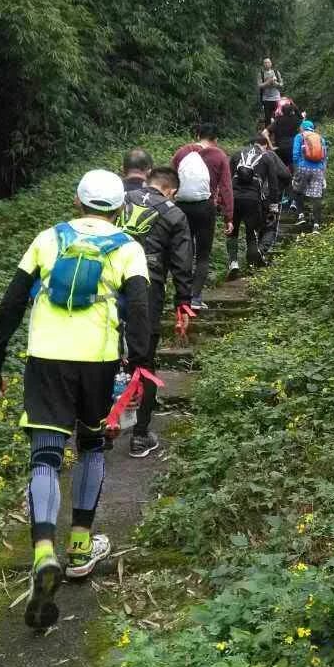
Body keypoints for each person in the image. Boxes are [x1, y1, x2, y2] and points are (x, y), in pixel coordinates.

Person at [0, 170, 150, 630]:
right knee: (92, 446)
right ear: (119, 209)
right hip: (97, 361)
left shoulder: (47, 239)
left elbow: (12, 302)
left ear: (77, 200)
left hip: (46, 357)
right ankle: (79, 548)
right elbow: (141, 309)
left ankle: (42, 550)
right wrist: (140, 367)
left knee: (45, 456)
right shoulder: (129, 249)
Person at [119, 149, 196, 459]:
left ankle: (100, 429)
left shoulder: (119, 203)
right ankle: (139, 435)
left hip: (108, 286)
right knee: (144, 361)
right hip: (147, 292)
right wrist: (183, 303)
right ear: (172, 190)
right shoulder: (174, 214)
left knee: (106, 356)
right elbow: (181, 264)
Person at [172, 123, 234, 311]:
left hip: (182, 206)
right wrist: (229, 216)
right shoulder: (219, 155)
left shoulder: (182, 152)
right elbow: (225, 188)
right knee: (203, 255)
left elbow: (170, 178)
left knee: (184, 251)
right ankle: (196, 298)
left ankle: (182, 298)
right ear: (216, 139)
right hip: (206, 207)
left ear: (197, 134)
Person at [227, 134, 291, 280]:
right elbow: (274, 184)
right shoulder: (267, 157)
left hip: (234, 197)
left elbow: (227, 178)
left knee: (232, 232)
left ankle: (233, 263)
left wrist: (223, 201)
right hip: (253, 199)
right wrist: (273, 204)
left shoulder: (237, 154)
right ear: (263, 145)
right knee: (251, 233)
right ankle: (251, 267)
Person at [292, 119, 328, 231]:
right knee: (316, 196)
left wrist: (297, 170)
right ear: (313, 128)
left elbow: (295, 155)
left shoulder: (300, 136)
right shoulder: (320, 138)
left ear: (302, 127)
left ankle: (301, 216)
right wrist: (323, 174)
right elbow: (325, 157)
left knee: (297, 190)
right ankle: (316, 226)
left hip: (303, 167)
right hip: (318, 169)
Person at [271, 97, 303, 179]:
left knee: (281, 169)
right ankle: (293, 182)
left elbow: (265, 132)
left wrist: (271, 146)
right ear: (292, 111)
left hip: (280, 147)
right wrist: (294, 106)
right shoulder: (296, 120)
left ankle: (282, 185)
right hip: (293, 146)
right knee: (293, 167)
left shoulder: (277, 120)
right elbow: (301, 117)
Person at [257, 57, 284, 126]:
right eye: (265, 63)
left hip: (276, 98)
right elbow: (259, 85)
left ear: (271, 63)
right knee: (267, 118)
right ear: (263, 64)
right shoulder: (261, 74)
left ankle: (278, 133)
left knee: (278, 116)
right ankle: (268, 133)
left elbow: (281, 84)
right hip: (266, 98)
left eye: (268, 62)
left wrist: (275, 83)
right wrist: (268, 82)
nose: (267, 64)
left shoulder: (276, 72)